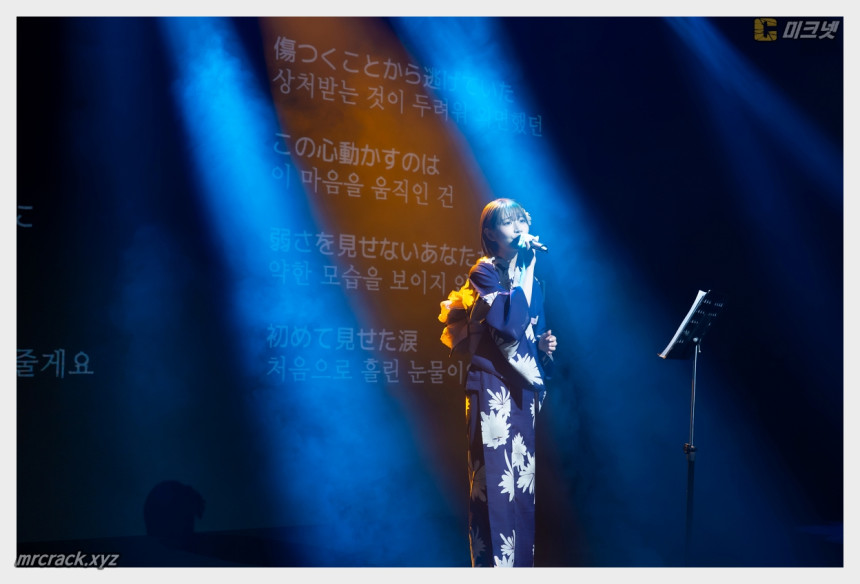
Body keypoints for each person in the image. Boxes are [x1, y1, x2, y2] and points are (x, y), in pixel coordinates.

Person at [439, 198, 557, 567]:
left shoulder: (532, 281)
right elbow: (507, 325)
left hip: (520, 389)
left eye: (522, 219)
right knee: (493, 485)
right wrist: (525, 268)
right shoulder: (484, 271)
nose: (519, 227)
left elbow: (528, 336)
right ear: (490, 234)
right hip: (490, 385)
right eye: (509, 222)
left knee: (520, 484)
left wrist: (544, 347)